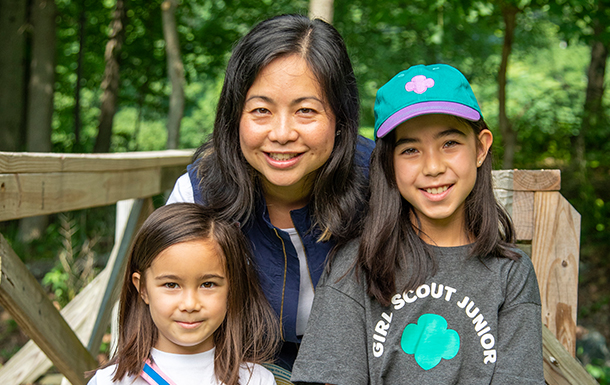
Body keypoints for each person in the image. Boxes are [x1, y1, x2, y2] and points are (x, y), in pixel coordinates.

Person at [291, 64, 545, 384]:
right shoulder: (354, 267)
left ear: (480, 147)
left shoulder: (511, 273)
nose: (433, 166)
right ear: (388, 162)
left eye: (449, 143)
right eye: (410, 149)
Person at [166, 14, 374, 371]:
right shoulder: (198, 193)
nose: (281, 133)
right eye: (261, 110)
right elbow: (156, 310)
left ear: (341, 118)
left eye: (305, 111)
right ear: (235, 116)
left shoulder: (382, 181)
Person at [87, 203, 279, 385]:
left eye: (208, 284)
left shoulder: (257, 380)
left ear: (232, 287)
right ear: (142, 288)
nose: (190, 304)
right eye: (171, 285)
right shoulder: (110, 381)